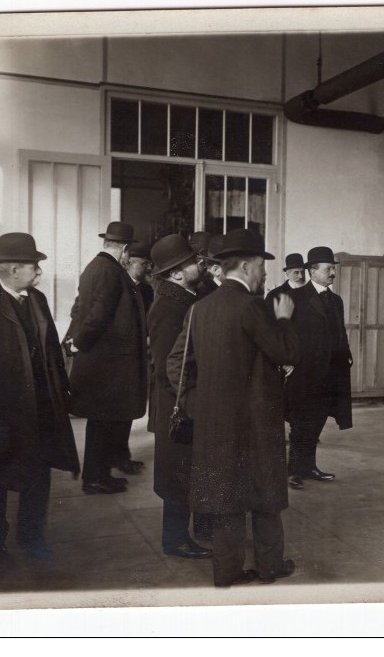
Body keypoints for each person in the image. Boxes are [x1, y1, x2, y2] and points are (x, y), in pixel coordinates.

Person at [167, 228, 299, 587]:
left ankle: (226, 573)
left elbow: (176, 362)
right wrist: (284, 318)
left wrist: (197, 404)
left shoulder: (199, 309)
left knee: (225, 498)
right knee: (266, 497)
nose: (265, 274)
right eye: (261, 266)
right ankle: (269, 567)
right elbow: (285, 352)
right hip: (256, 421)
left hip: (214, 425)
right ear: (245, 265)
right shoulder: (254, 307)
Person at [0, 233, 81, 563]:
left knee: (38, 477)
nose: (39, 272)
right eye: (34, 266)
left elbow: (51, 351)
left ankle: (33, 539)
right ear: (10, 269)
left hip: (39, 412)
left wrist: (61, 392)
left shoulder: (37, 300)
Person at [68, 221, 148, 493]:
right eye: (128, 252)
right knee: (102, 422)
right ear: (124, 249)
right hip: (108, 362)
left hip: (102, 360)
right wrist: (79, 342)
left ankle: (98, 474)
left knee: (101, 421)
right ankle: (95, 478)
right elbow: (98, 315)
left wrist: (78, 342)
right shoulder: (111, 271)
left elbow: (82, 308)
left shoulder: (95, 267)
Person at [146, 234, 212, 560]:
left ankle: (199, 528)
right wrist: (189, 401)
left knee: (188, 471)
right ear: (175, 273)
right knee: (177, 475)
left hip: (187, 400)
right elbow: (165, 366)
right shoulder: (168, 307)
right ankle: (174, 541)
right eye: (190, 261)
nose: (197, 263)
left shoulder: (187, 297)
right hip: (177, 405)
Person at [284, 246, 353, 490]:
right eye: (328, 269)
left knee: (318, 421)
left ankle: (309, 467)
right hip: (304, 372)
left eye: (333, 268)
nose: (333, 273)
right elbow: (282, 332)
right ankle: (292, 471)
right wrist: (286, 360)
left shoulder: (336, 300)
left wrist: (347, 355)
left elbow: (340, 332)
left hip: (330, 373)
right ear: (312, 271)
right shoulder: (295, 297)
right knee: (301, 422)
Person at [126, 243, 154, 312]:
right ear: (129, 262)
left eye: (150, 264)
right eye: (145, 263)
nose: (149, 268)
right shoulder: (119, 286)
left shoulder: (148, 290)